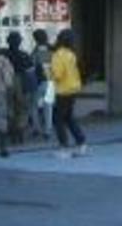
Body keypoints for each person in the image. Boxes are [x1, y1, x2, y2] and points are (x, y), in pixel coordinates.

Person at [51, 29, 86, 158]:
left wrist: (48, 73)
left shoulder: (58, 55)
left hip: (62, 90)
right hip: (73, 88)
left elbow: (58, 74)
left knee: (58, 119)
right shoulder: (71, 54)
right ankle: (81, 143)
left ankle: (64, 147)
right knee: (69, 117)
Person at [5, 31, 35, 144]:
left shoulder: (4, 55)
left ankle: (11, 130)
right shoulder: (24, 55)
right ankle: (20, 129)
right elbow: (30, 70)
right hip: (22, 82)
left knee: (9, 107)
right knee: (22, 108)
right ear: (20, 42)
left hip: (7, 82)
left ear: (8, 42)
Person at [31, 29, 53, 139]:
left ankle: (37, 128)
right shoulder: (50, 47)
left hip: (41, 81)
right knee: (48, 107)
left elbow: (42, 66)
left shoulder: (41, 49)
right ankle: (47, 130)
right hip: (50, 81)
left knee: (34, 105)